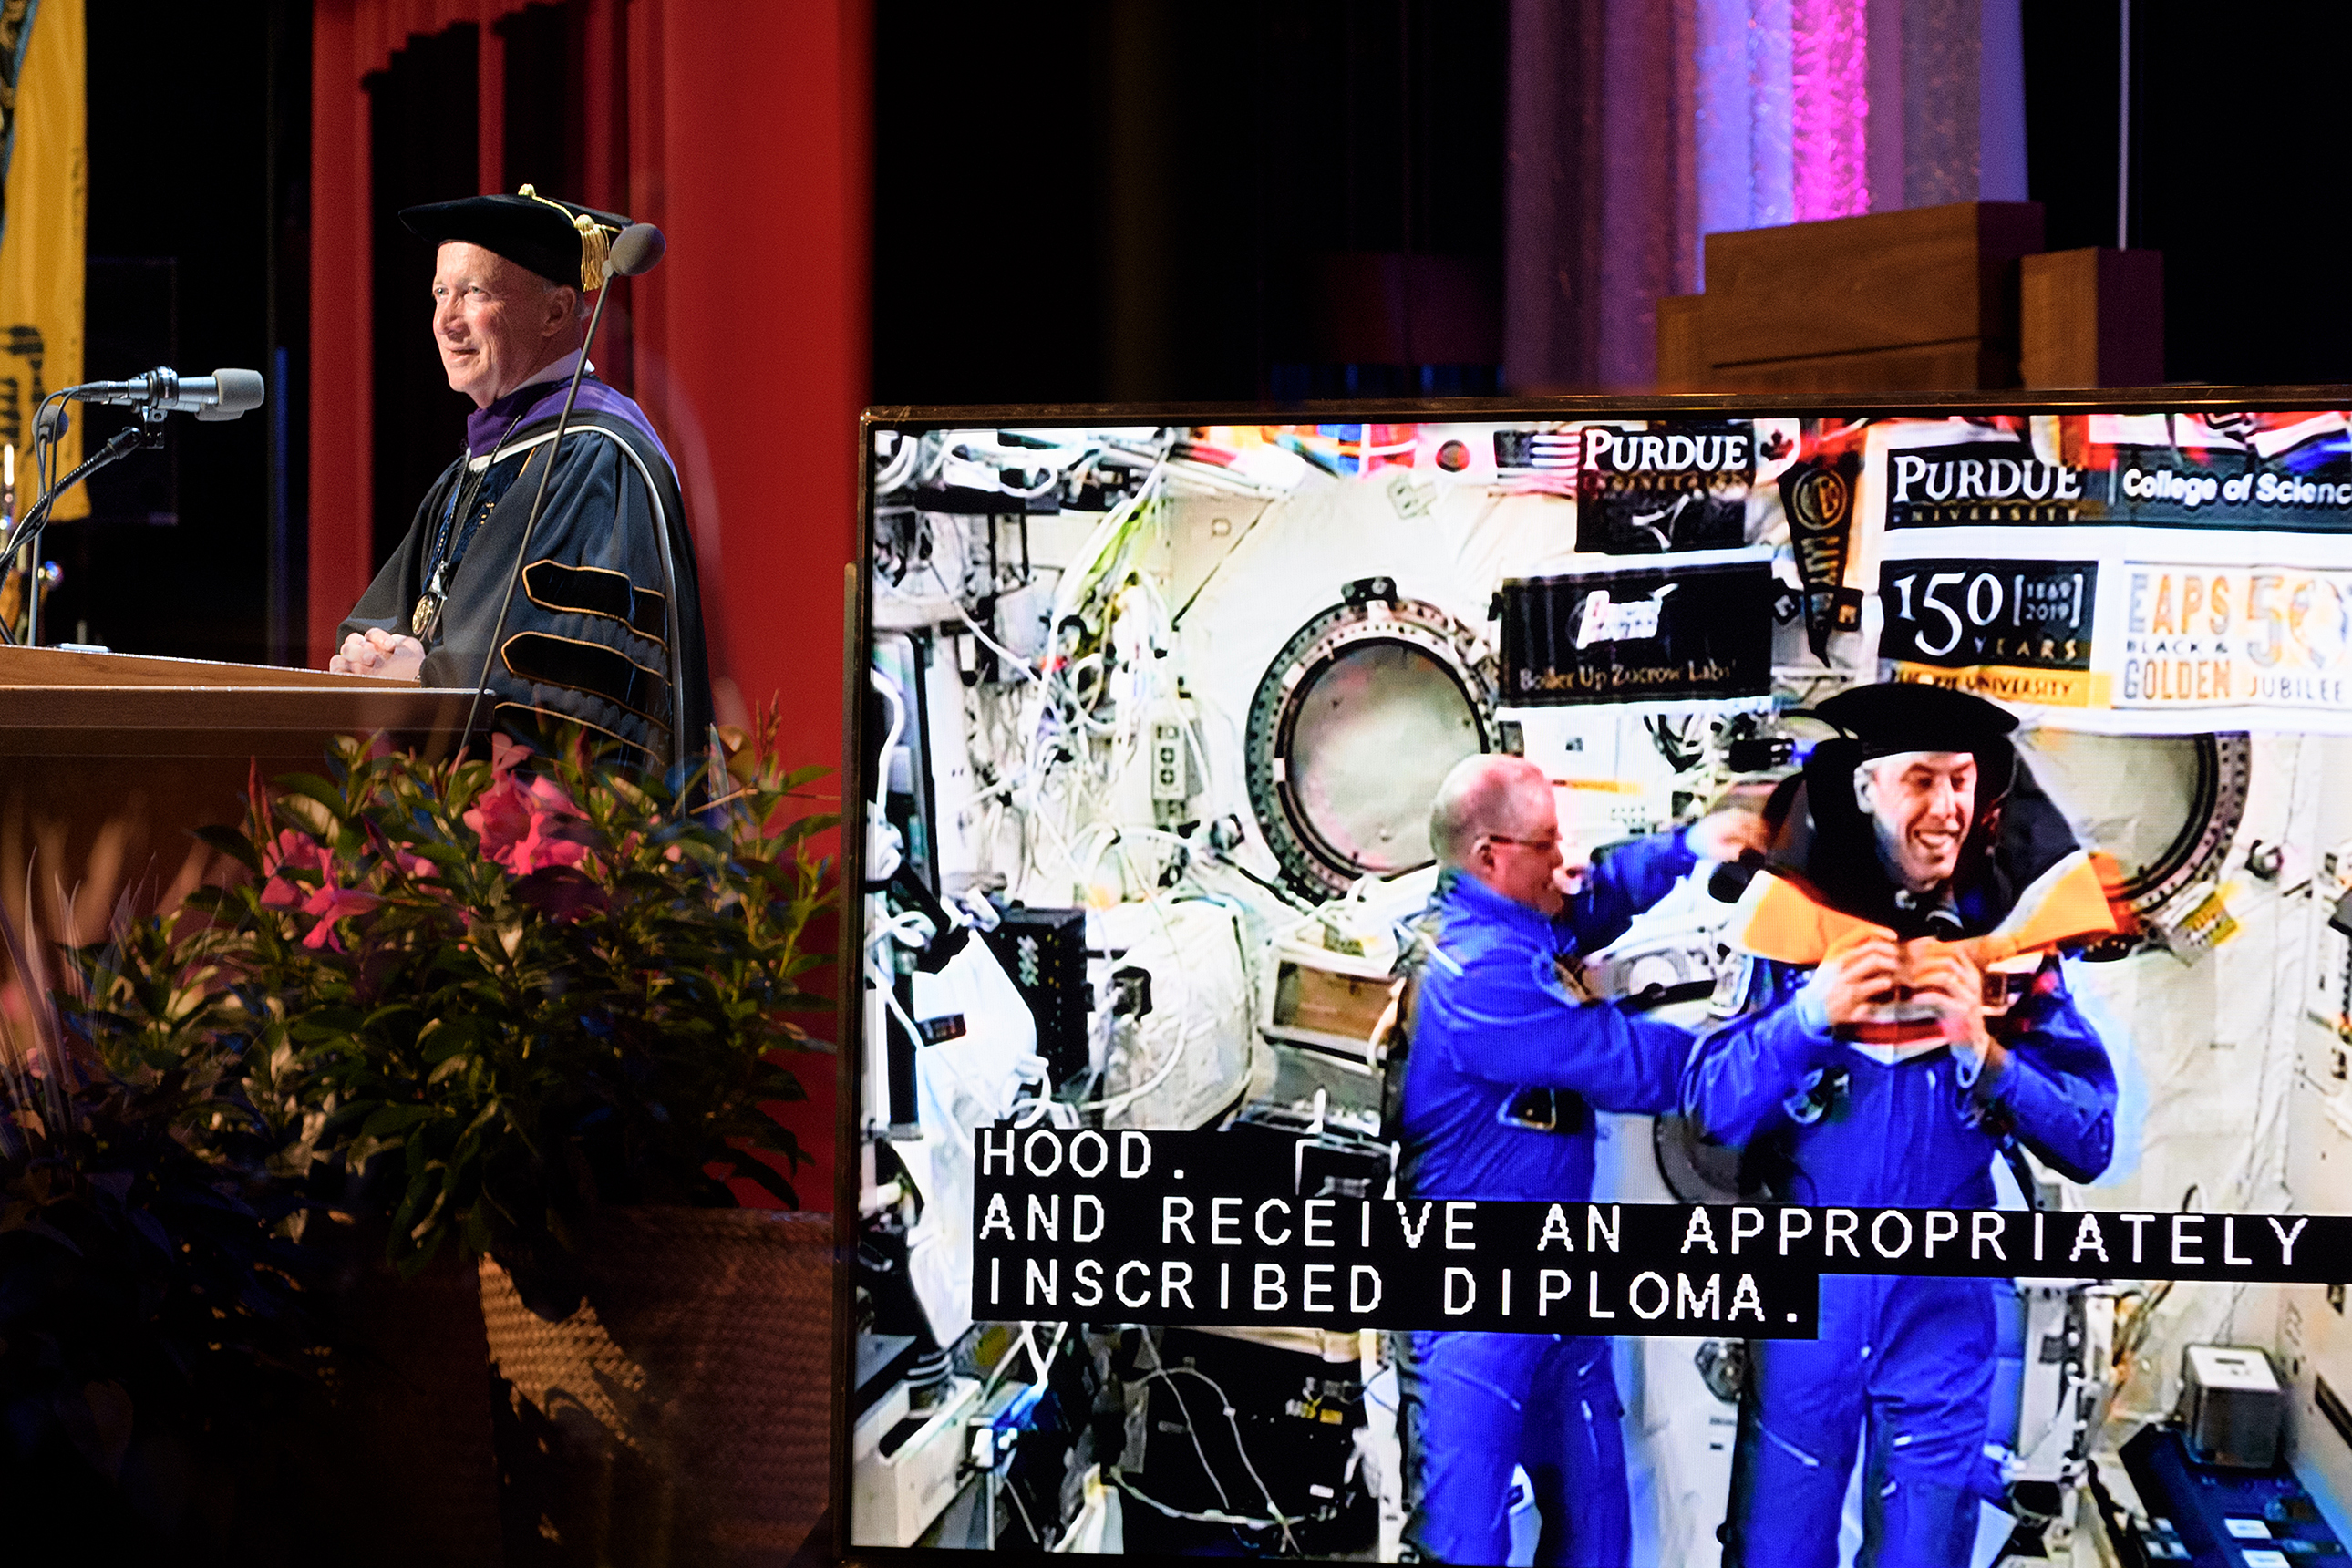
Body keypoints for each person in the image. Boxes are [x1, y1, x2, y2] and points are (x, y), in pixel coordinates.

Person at [1682, 682, 2121, 1568]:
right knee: (1777, 1550)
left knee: (1925, 1548)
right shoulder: (1788, 929)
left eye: (1962, 781)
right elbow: (1712, 1110)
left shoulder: (2007, 948)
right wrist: (1806, 1018)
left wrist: (1986, 1055)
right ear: (1865, 789)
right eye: (1922, 780)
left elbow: (2090, 1140)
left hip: (1941, 1310)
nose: (1948, 807)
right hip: (1808, 1303)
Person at [1393, 753, 1764, 1567]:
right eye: (1545, 841)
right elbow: (1634, 1067)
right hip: (1469, 1305)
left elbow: (1586, 901)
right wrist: (1791, 1031)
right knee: (1465, 1544)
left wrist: (1690, 844)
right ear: (1490, 855)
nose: (1564, 859)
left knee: (1597, 1527)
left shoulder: (1506, 919)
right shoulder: (1475, 976)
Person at [332, 185, 712, 769]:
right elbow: (397, 612)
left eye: (473, 293)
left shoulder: (597, 459)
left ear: (557, 312)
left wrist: (424, 678)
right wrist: (367, 654)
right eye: (439, 293)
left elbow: (575, 678)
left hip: (555, 836)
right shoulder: (472, 469)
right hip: (449, 821)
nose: (446, 321)